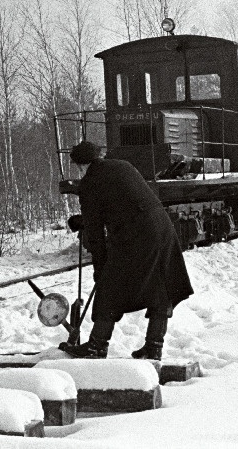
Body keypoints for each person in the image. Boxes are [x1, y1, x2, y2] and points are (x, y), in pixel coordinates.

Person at [61, 140, 194, 360]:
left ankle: (96, 347)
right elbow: (124, 201)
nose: (79, 171)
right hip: (162, 228)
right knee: (160, 286)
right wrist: (84, 219)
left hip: (135, 236)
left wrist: (100, 268)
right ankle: (154, 347)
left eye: (78, 166)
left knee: (109, 288)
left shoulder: (89, 183)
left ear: (83, 165)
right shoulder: (123, 166)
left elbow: (95, 235)